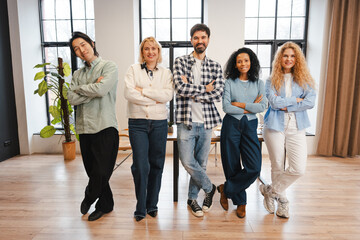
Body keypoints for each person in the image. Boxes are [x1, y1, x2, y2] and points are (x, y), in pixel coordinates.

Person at [260, 41, 316, 218]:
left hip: (297, 126)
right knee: (277, 164)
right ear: (280, 58)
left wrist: (287, 105)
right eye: (285, 56)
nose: (289, 59)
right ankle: (283, 202)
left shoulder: (305, 80)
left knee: (298, 168)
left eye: (292, 56)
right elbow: (274, 103)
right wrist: (296, 101)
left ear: (297, 59)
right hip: (274, 126)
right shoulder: (270, 81)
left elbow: (310, 102)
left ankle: (270, 191)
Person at [173, 23, 224, 217]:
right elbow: (180, 88)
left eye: (203, 37)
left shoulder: (215, 66)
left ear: (208, 40)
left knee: (201, 164)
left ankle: (192, 198)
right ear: (191, 40)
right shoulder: (180, 62)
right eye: (196, 38)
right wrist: (205, 89)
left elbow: (218, 94)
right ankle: (210, 188)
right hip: (186, 121)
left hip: (206, 122)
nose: (199, 41)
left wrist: (193, 89)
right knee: (187, 161)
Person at [67, 32, 119, 221]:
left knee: (101, 171)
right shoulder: (77, 74)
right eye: (76, 49)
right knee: (92, 171)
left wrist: (79, 89)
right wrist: (90, 88)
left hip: (105, 126)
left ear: (92, 43)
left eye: (83, 44)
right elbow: (71, 97)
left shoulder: (109, 66)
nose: (81, 50)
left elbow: (102, 89)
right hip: (84, 128)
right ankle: (106, 204)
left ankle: (89, 196)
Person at [124, 37, 173, 222]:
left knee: (156, 164)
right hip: (137, 123)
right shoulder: (133, 69)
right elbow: (129, 93)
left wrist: (142, 91)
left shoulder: (166, 73)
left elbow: (168, 95)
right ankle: (140, 205)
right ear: (142, 52)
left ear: (159, 52)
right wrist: (155, 99)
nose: (150, 52)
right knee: (140, 166)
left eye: (154, 48)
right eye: (147, 48)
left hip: (159, 123)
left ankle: (152, 205)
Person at [217, 48, 267, 218]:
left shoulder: (260, 83)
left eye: (246, 60)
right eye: (239, 61)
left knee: (254, 167)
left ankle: (226, 188)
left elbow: (262, 107)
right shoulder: (229, 82)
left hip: (250, 126)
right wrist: (249, 106)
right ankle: (241, 203)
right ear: (235, 64)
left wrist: (239, 104)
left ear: (251, 62)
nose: (243, 64)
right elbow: (226, 107)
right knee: (231, 164)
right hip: (231, 125)